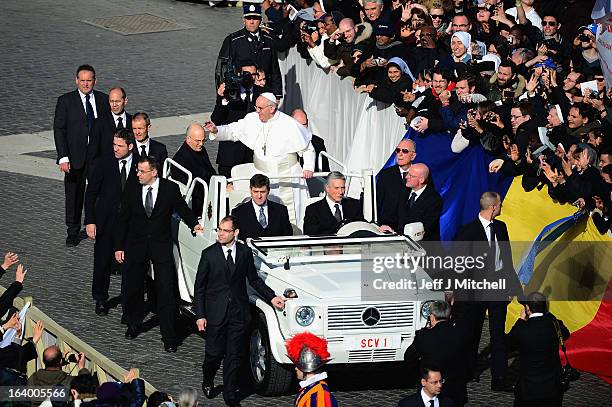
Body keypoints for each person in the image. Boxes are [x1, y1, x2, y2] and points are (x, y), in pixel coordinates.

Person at [194, 215, 286, 407]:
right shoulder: (209, 254)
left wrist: (272, 297)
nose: (221, 233)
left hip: (238, 312)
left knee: (234, 355)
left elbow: (254, 280)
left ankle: (230, 394)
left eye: (225, 230)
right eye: (219, 229)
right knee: (214, 354)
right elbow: (199, 287)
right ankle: (208, 378)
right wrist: (200, 315)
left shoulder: (244, 253)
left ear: (235, 233)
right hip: (215, 313)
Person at [114, 156, 203, 352]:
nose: (138, 174)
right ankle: (132, 323)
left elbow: (182, 209)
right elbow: (123, 219)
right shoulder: (132, 188)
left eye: (142, 171)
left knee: (166, 290)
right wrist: (119, 247)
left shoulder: (169, 189)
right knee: (132, 286)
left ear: (154, 172)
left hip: (160, 245)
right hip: (136, 245)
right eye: (137, 170)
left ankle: (169, 337)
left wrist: (194, 224)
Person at [204, 93, 316, 229]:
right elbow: (233, 131)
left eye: (260, 108)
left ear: (272, 108)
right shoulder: (252, 119)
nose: (257, 111)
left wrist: (308, 167)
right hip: (262, 174)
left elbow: (308, 149)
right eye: (256, 107)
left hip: (287, 176)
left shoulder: (289, 124)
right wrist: (217, 130)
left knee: (292, 216)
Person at [453, 191, 521, 391]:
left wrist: (511, 286)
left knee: (498, 336)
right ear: (493, 207)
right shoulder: (468, 231)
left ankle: (499, 379)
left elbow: (506, 260)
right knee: (472, 333)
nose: (501, 207)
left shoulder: (501, 227)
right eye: (500, 204)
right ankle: (469, 371)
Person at [53, 64, 110, 246]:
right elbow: (59, 130)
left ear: (95, 81)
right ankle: (72, 231)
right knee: (74, 195)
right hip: (74, 157)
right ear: (76, 81)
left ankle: (99, 225)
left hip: (98, 157)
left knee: (100, 193)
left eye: (89, 80)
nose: (86, 84)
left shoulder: (103, 100)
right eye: (82, 80)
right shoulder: (65, 101)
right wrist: (63, 157)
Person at [84, 129, 138, 316]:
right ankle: (100, 297)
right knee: (102, 261)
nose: (115, 148)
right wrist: (90, 221)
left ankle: (129, 302)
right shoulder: (104, 162)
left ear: (130, 146)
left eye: (120, 146)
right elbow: (90, 193)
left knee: (129, 263)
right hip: (106, 222)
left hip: (130, 223)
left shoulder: (140, 163)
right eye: (114, 144)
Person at [507, 292, 570, 407]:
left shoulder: (523, 329)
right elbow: (566, 334)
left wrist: (520, 320)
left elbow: (508, 344)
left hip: (528, 388)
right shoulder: (555, 325)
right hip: (552, 387)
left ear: (527, 308)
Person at [404, 301, 470, 406]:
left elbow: (408, 357)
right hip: (456, 390)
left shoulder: (424, 336)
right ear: (449, 316)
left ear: (432, 317)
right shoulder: (461, 334)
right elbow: (468, 360)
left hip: (432, 390)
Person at [212, 61, 266, 178]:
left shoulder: (262, 92)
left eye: (253, 75)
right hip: (230, 155)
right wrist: (223, 99)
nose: (250, 78)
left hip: (253, 155)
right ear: (238, 74)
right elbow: (216, 119)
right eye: (247, 74)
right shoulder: (230, 91)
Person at [217, 4, 282, 99]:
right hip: (241, 93)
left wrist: (277, 95)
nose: (252, 22)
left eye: (255, 18)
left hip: (264, 91)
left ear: (260, 20)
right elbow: (222, 69)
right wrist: (223, 93)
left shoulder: (268, 40)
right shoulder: (232, 40)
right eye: (248, 18)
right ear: (244, 20)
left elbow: (275, 69)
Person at [381, 163, 443, 241]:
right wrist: (388, 226)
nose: (406, 177)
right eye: (407, 174)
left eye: (411, 176)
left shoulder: (434, 200)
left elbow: (424, 228)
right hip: (401, 241)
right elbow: (395, 216)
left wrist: (396, 232)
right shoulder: (403, 192)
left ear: (421, 180)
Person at [171, 124, 217, 216]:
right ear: (188, 139)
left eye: (203, 140)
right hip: (198, 200)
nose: (201, 144)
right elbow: (197, 184)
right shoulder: (182, 158)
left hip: (205, 189)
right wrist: (218, 187)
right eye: (198, 141)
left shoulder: (199, 149)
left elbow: (210, 170)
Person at [231, 174, 293, 240]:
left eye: (262, 192)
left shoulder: (281, 211)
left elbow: (288, 237)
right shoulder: (238, 213)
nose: (259, 196)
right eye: (255, 192)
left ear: (268, 191)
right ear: (250, 190)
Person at [285, 332, 337, 407]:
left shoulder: (320, 394)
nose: (296, 368)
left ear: (306, 367)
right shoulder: (310, 388)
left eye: (298, 366)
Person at [303, 171, 362, 235]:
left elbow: (360, 227)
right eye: (337, 188)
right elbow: (310, 235)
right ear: (327, 188)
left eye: (343, 188)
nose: (341, 192)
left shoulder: (354, 205)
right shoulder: (313, 210)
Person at [377, 140, 416, 231]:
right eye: (398, 150)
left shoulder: (421, 173)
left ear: (413, 156)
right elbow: (377, 203)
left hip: (413, 229)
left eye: (405, 151)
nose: (400, 154)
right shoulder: (386, 175)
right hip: (389, 229)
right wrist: (378, 225)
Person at [89, 87, 132, 162]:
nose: (114, 105)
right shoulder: (99, 123)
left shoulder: (132, 121)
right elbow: (93, 152)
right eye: (111, 101)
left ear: (125, 101)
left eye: (118, 101)